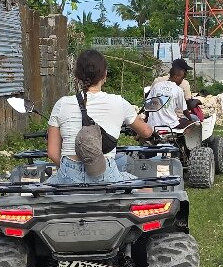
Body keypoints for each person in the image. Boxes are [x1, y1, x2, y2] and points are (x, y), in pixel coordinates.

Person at [46, 49, 152, 184]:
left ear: (77, 76)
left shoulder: (61, 104)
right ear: (105, 74)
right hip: (105, 173)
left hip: (68, 175)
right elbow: (146, 131)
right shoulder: (119, 102)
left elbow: (52, 152)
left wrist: (73, 172)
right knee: (146, 188)